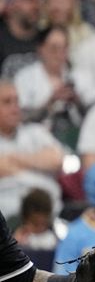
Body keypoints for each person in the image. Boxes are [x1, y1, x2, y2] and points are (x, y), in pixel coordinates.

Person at [13, 26, 95, 133]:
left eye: (64, 48)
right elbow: (19, 117)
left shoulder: (82, 76)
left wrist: (77, 101)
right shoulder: (24, 78)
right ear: (40, 49)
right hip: (37, 140)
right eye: (54, 49)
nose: (59, 54)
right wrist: (50, 102)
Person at [0, 80, 64, 220]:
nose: (15, 108)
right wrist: (37, 160)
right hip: (9, 219)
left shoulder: (35, 131)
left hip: (50, 214)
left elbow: (57, 160)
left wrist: (15, 159)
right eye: (7, 102)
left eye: (16, 101)